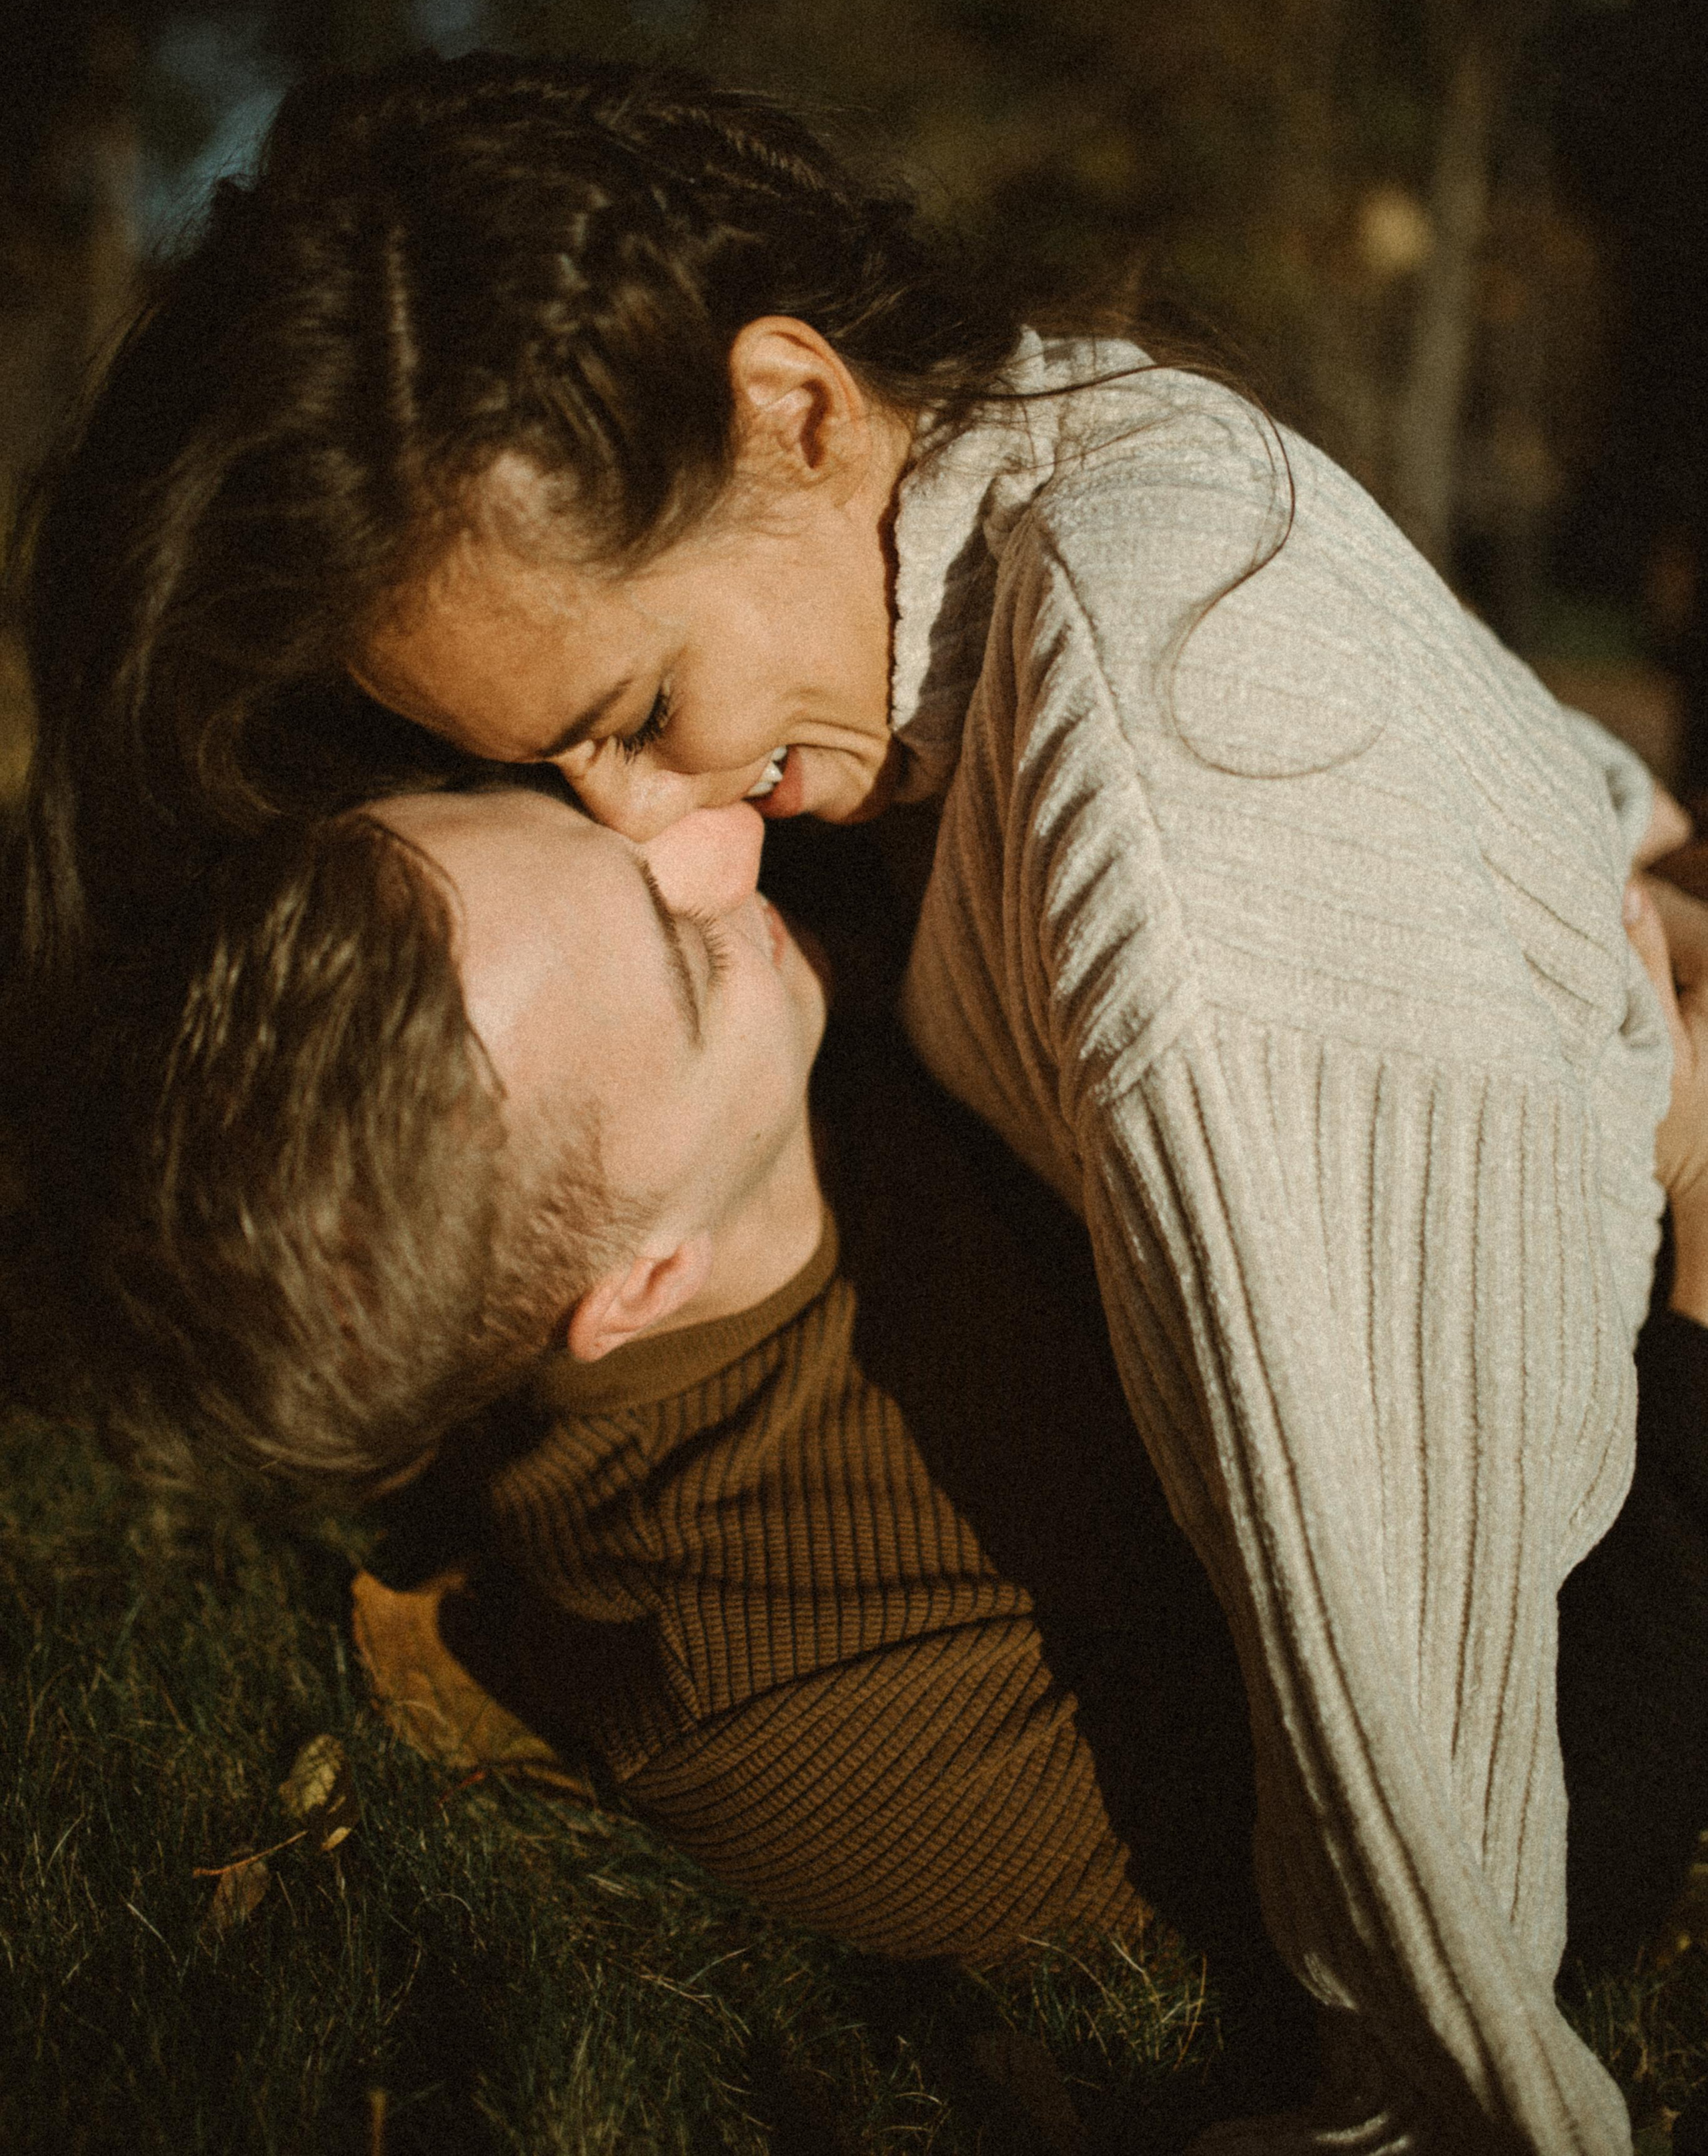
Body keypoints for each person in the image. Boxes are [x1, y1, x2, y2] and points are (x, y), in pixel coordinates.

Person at [11, 49, 1691, 2151]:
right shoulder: (932, 644)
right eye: (562, 774)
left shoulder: (1141, 815)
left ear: (800, 411)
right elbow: (1430, 1762)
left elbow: (1429, 1731)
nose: (684, 832)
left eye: (628, 723)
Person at [55, 777, 1708, 2132]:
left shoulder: (813, 956)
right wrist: (1695, 1248)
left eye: (582, 815)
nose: (712, 833)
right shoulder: (803, 1699)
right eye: (678, 949)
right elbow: (1531, 1839)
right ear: (639, 1284)